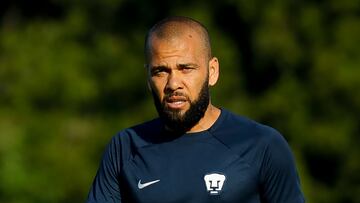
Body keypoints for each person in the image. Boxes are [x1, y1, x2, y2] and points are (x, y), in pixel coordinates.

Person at [86, 16, 305, 203]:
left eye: (186, 68)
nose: (173, 84)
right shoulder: (124, 148)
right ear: (148, 78)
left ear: (212, 71)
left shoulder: (262, 145)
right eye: (161, 71)